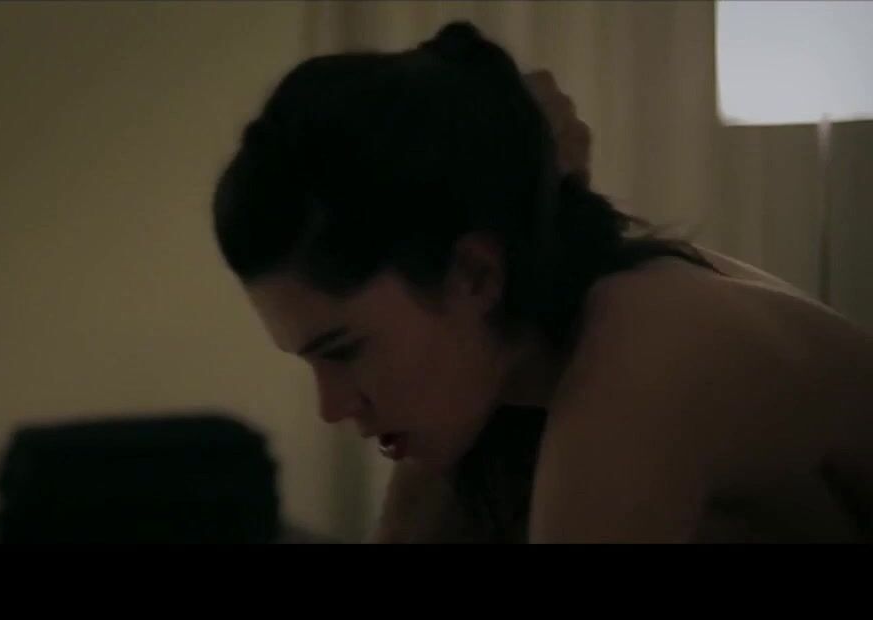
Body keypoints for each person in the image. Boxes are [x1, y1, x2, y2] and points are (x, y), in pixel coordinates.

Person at [211, 21, 873, 543]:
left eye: (345, 350)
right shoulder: (509, 362)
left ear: (476, 273)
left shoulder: (649, 349)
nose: (331, 408)